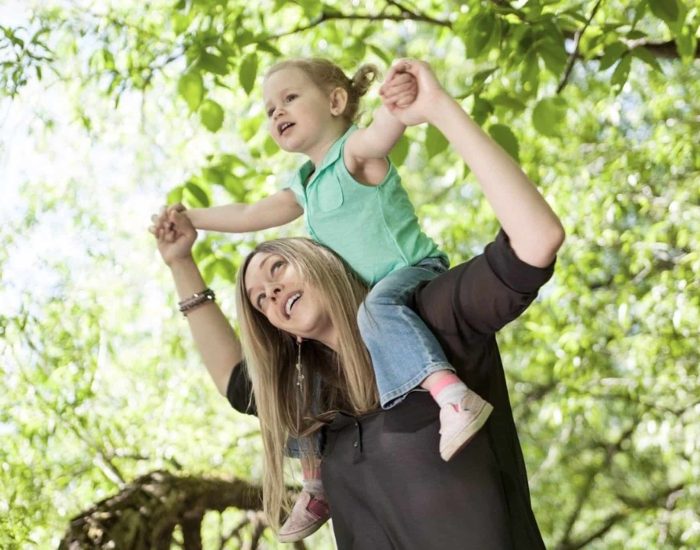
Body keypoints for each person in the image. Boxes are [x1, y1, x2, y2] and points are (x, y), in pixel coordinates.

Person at [152, 59, 564, 548]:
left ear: (319, 258)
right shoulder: (311, 390)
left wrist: (432, 107)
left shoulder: (428, 315)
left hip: (404, 283)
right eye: (260, 299)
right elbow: (236, 377)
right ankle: (315, 482)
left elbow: (536, 241)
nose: (272, 293)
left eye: (278, 269)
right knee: (300, 414)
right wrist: (183, 250)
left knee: (378, 311)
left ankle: (451, 397)